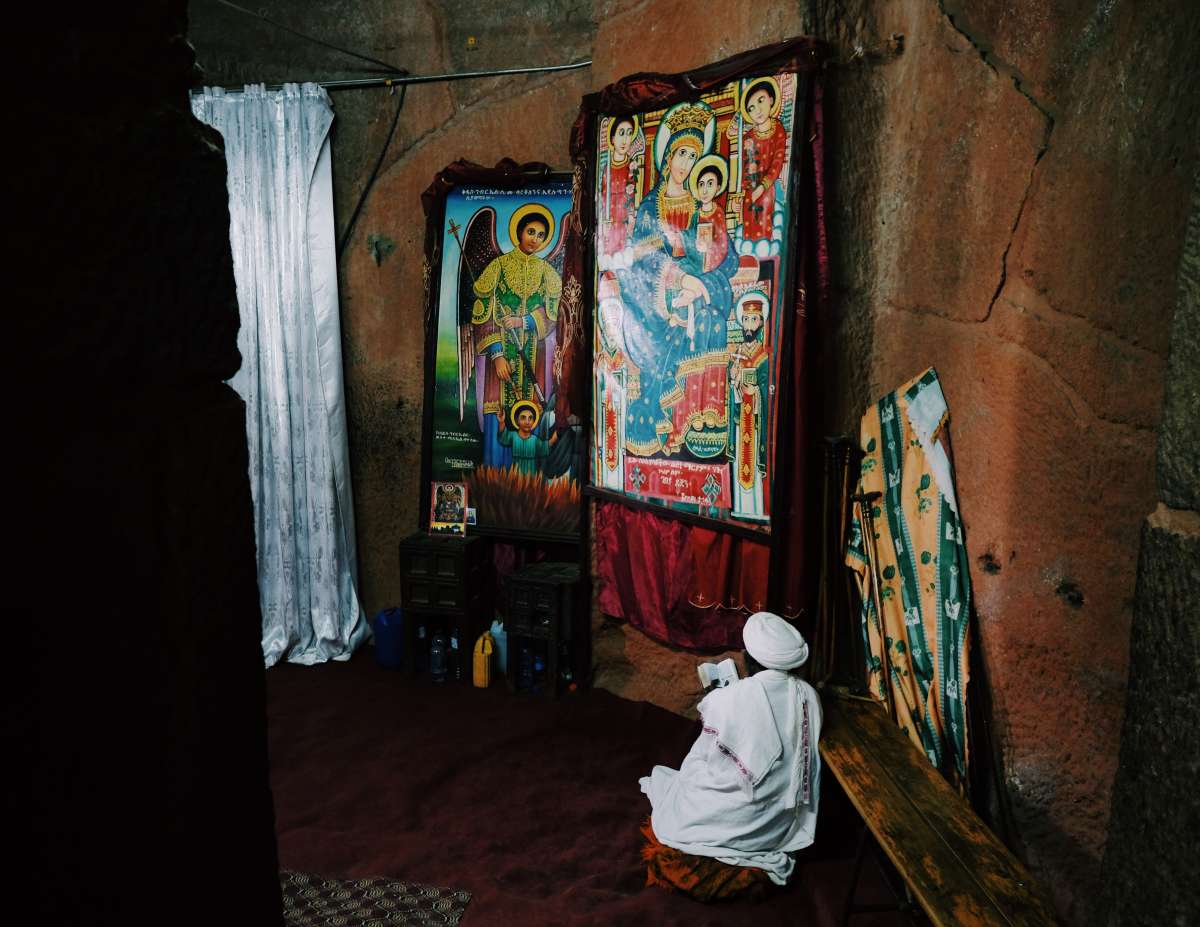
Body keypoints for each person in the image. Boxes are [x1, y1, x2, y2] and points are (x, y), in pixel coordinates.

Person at [639, 611, 822, 899]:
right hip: (776, 827)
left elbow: (711, 756)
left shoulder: (730, 699)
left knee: (692, 768)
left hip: (733, 815)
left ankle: (720, 829)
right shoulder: (808, 696)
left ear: (747, 658)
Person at [612, 102, 737, 457]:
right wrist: (677, 283)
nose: (683, 165)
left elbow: (720, 256)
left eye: (691, 157)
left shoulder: (702, 205)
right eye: (680, 154)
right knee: (664, 331)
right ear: (668, 158)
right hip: (655, 299)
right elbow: (642, 257)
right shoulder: (652, 205)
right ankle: (656, 417)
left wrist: (700, 285)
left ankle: (700, 421)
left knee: (710, 316)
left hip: (692, 293)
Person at [471, 205, 562, 469]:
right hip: (500, 359)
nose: (535, 238)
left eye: (541, 235)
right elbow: (482, 316)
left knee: (530, 413)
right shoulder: (497, 268)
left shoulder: (547, 272)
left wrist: (524, 321)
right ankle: (496, 479)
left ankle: (529, 482)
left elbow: (552, 315)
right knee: (499, 414)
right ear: (518, 233)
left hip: (533, 356)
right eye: (530, 231)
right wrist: (498, 354)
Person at [730, 78, 789, 243]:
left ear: (771, 100)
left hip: (770, 186)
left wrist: (763, 187)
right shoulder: (748, 137)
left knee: (766, 221)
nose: (758, 110)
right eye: (751, 108)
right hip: (751, 189)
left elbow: (777, 162)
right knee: (747, 228)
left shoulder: (778, 129)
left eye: (761, 100)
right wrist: (741, 195)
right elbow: (745, 169)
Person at [496, 398, 557, 477]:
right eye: (523, 417)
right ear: (517, 420)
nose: (527, 422)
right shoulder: (513, 436)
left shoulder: (535, 440)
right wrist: (501, 422)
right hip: (516, 477)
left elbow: (544, 448)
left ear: (533, 421)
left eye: (530, 418)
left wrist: (554, 438)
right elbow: (503, 438)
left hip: (531, 477)